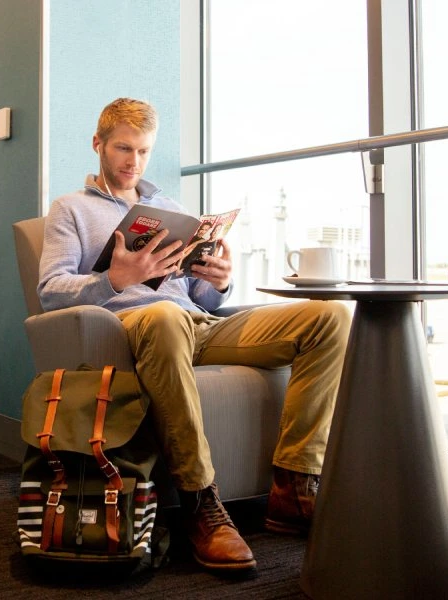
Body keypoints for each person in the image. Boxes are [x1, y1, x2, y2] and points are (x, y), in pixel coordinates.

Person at [38, 97, 350, 572]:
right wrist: (116, 279)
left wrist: (219, 278)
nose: (133, 161)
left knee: (328, 318)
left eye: (143, 151)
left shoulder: (169, 208)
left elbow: (201, 299)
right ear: (97, 144)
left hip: (196, 323)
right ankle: (202, 502)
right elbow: (50, 292)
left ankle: (294, 486)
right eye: (123, 149)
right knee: (162, 316)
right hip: (136, 327)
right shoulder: (71, 210)